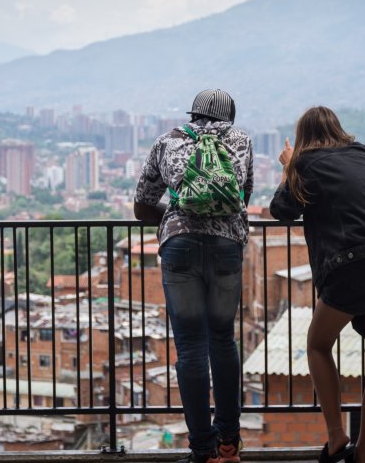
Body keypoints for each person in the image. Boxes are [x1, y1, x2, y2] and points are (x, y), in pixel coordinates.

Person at [269, 106, 365, 463]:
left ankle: (337, 438)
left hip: (352, 266)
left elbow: (281, 210)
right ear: (338, 129)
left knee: (319, 345)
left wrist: (290, 166)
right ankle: (364, 453)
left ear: (304, 136)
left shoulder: (305, 164)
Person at [134, 89, 253, 463]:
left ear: (194, 114)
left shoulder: (167, 141)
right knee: (223, 339)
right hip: (226, 247)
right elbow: (242, 199)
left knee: (189, 348)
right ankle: (229, 444)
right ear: (228, 118)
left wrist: (176, 217)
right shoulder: (241, 140)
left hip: (180, 247)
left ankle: (202, 449)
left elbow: (141, 205)